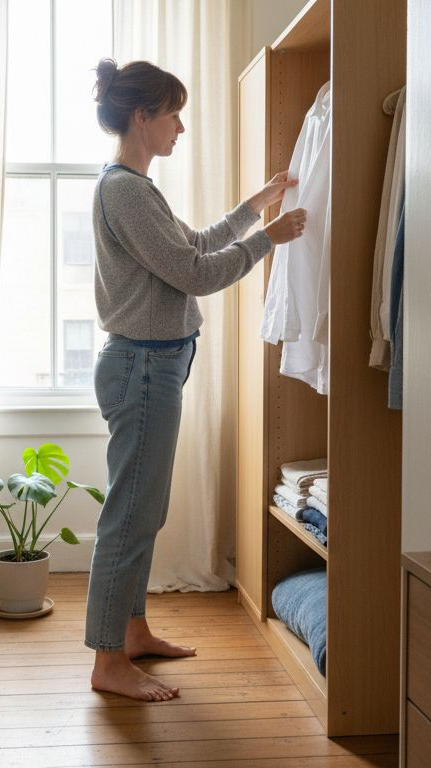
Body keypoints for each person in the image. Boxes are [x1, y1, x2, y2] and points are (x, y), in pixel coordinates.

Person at [85, 57, 307, 701]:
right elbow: (197, 274)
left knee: (143, 512)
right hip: (143, 368)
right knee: (129, 516)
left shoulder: (137, 188)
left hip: (154, 367)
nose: (181, 127)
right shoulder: (124, 190)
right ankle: (107, 662)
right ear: (142, 117)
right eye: (174, 113)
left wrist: (251, 208)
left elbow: (197, 245)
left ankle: (131, 633)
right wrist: (270, 237)